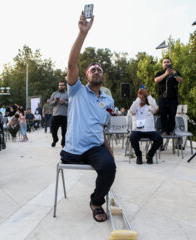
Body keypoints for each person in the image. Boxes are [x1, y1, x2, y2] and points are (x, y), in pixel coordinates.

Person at [61, 12, 116, 222]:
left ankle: (95, 201)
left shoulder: (108, 101)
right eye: (92, 69)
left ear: (102, 77)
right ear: (86, 76)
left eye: (99, 70)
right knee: (104, 164)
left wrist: (109, 151)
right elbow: (71, 65)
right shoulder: (76, 91)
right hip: (73, 149)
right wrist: (82, 33)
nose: (95, 71)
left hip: (95, 147)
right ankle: (97, 199)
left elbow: (100, 127)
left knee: (110, 167)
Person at [129, 88, 163, 164]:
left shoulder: (149, 108)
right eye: (141, 97)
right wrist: (138, 97)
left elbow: (155, 107)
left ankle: (150, 155)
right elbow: (131, 110)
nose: (142, 98)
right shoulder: (135, 107)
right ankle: (138, 156)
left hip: (150, 130)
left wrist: (148, 95)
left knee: (159, 138)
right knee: (132, 137)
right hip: (137, 131)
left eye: (144, 97)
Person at [154, 57, 183, 136]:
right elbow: (156, 80)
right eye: (164, 62)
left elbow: (181, 81)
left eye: (168, 62)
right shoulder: (160, 73)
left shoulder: (175, 72)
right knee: (163, 115)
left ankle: (171, 131)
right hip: (162, 99)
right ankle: (164, 131)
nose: (166, 63)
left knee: (172, 115)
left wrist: (174, 74)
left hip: (172, 99)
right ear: (162, 64)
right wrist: (165, 74)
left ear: (171, 63)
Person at [50, 81, 68, 147]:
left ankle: (63, 143)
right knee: (53, 129)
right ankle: (55, 139)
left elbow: (72, 103)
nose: (61, 86)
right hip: (56, 115)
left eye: (62, 85)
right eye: (60, 85)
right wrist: (55, 101)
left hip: (64, 115)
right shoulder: (54, 94)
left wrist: (65, 102)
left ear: (65, 86)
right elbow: (50, 103)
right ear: (58, 86)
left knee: (64, 131)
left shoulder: (68, 94)